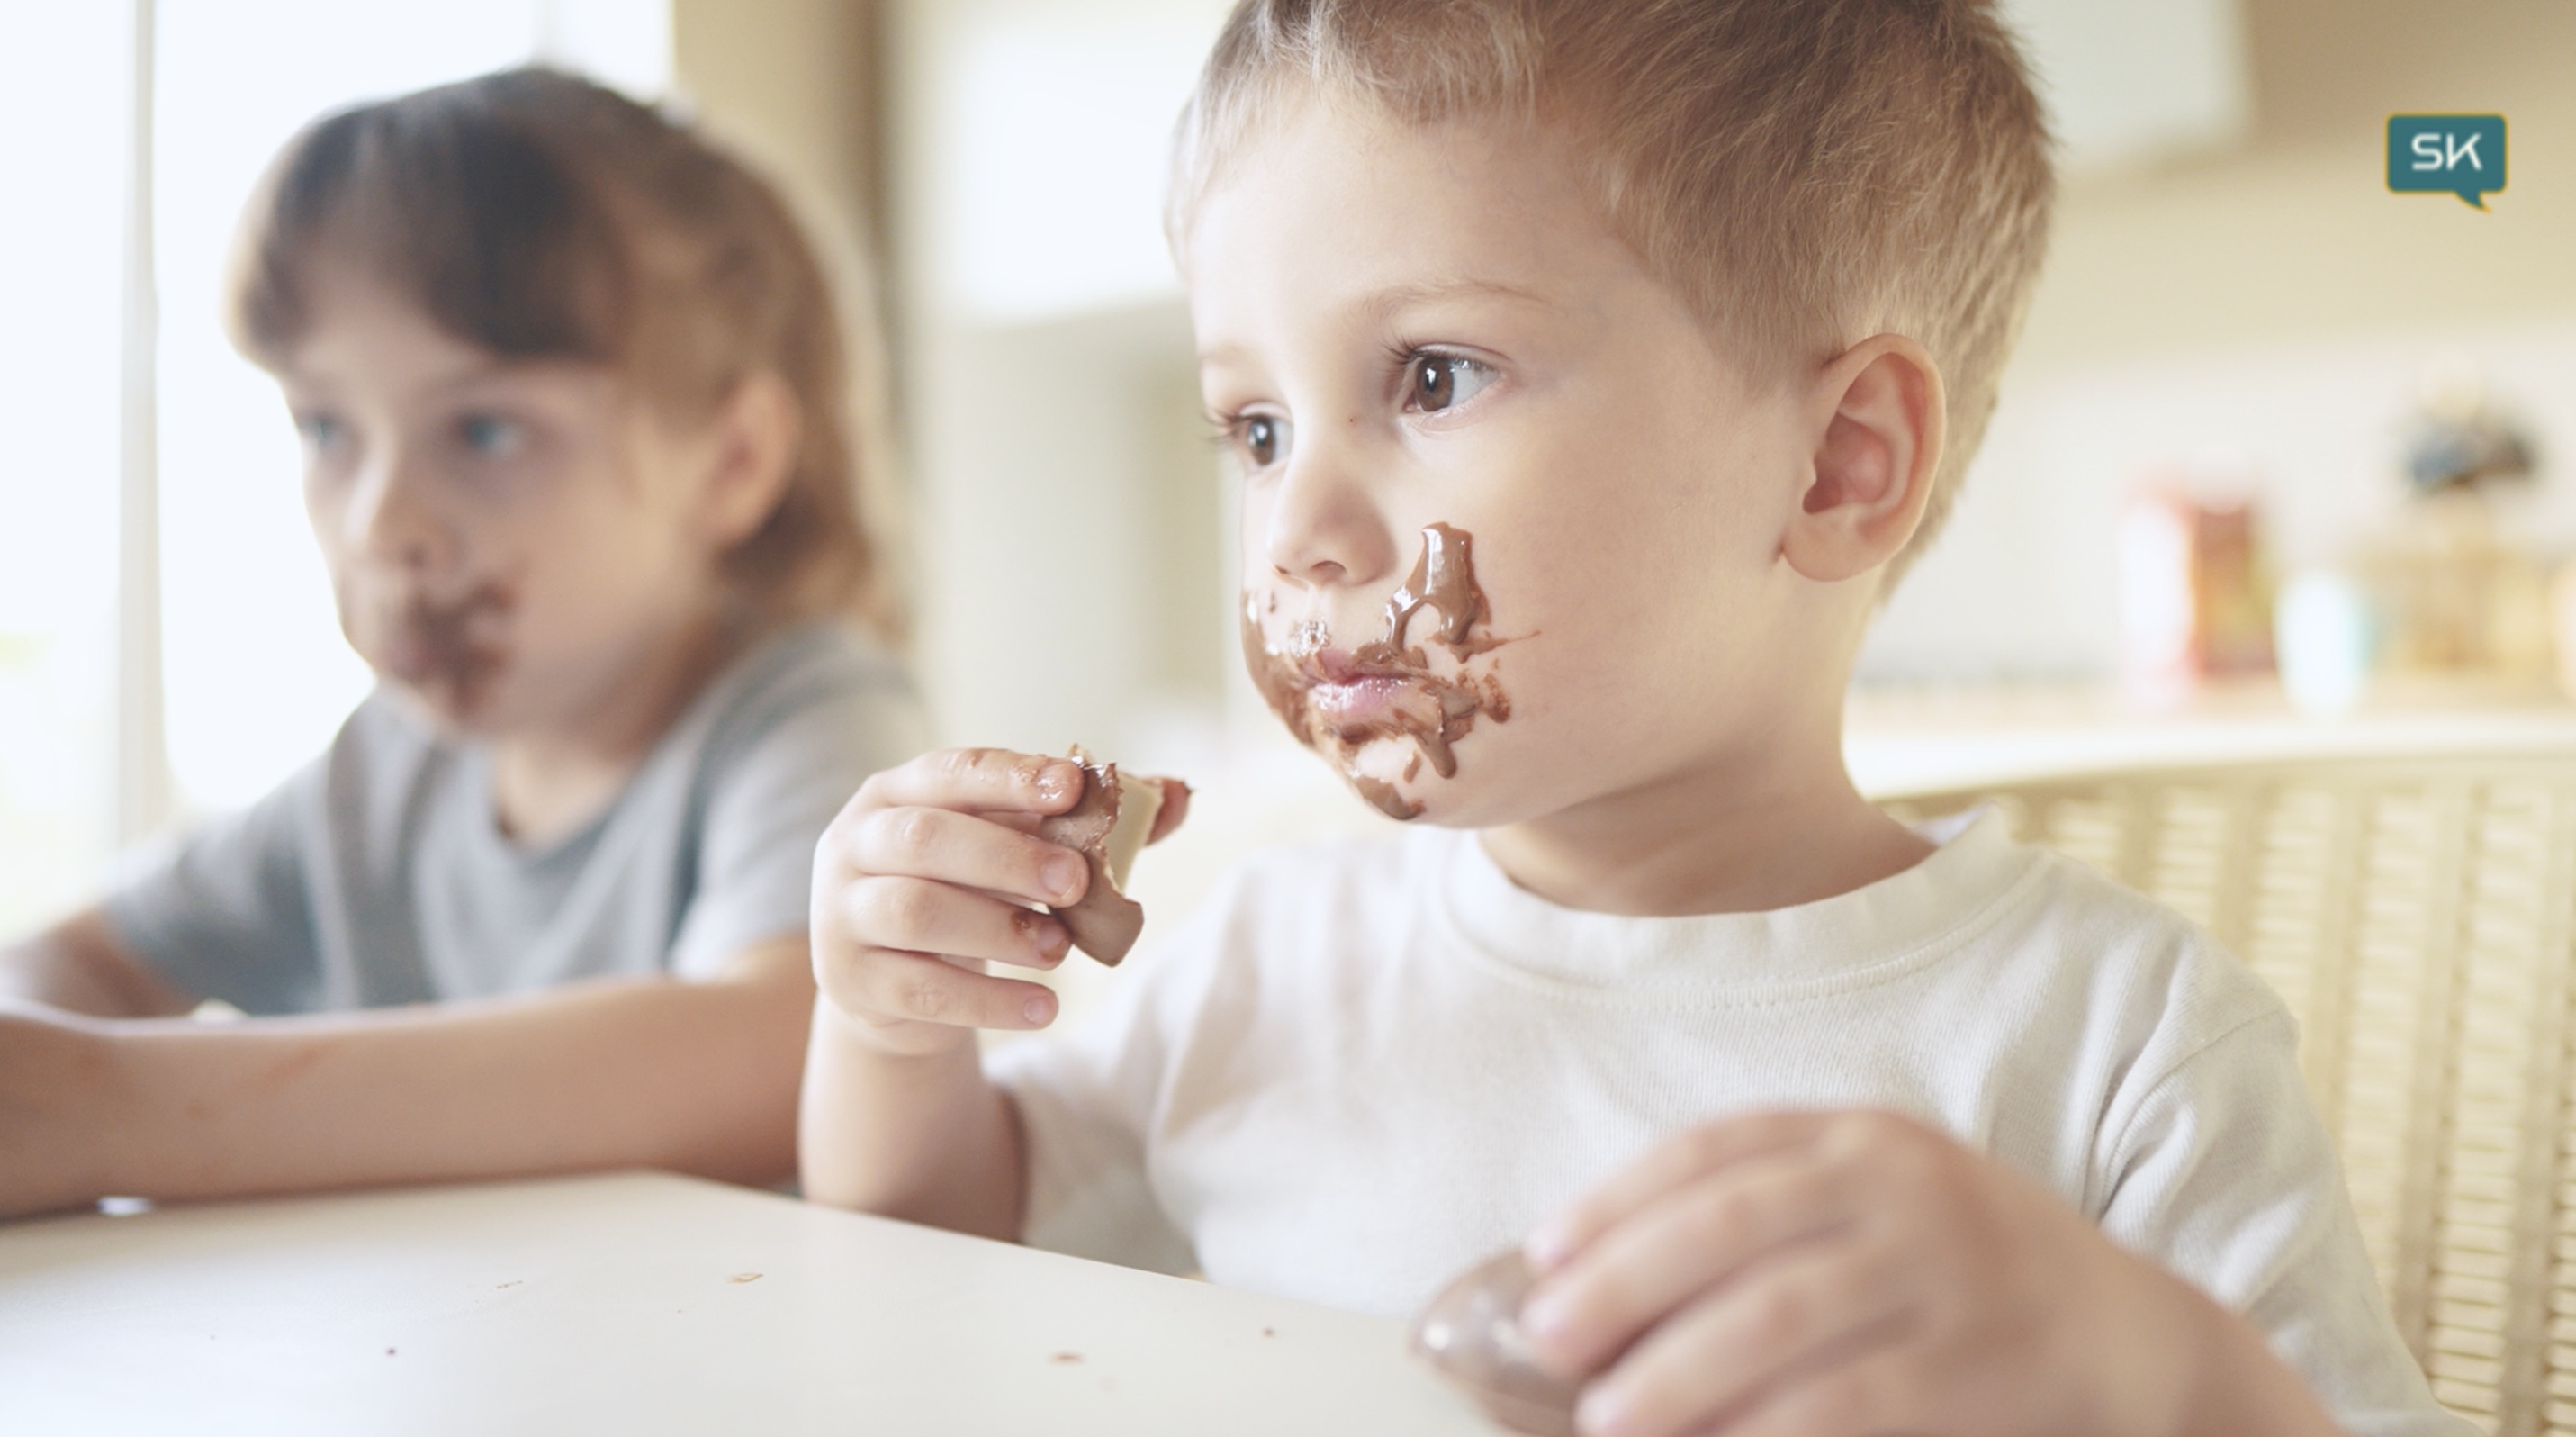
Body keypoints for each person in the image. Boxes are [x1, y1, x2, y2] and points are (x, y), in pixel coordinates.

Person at [797, 3, 2468, 1434]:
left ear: (1833, 466)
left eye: (1432, 375)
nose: (1295, 520)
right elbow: (940, 1252)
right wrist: (891, 1025)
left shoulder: (2117, 1050)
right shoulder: (1267, 964)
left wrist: (2162, 1370)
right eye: (1249, 424)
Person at [0, 68, 923, 1217]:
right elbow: (73, 966)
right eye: (327, 426)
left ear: (730, 463)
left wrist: (116, 1113)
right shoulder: (379, 773)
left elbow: (774, 1044)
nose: (381, 523)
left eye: (486, 429)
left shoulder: (806, 718)